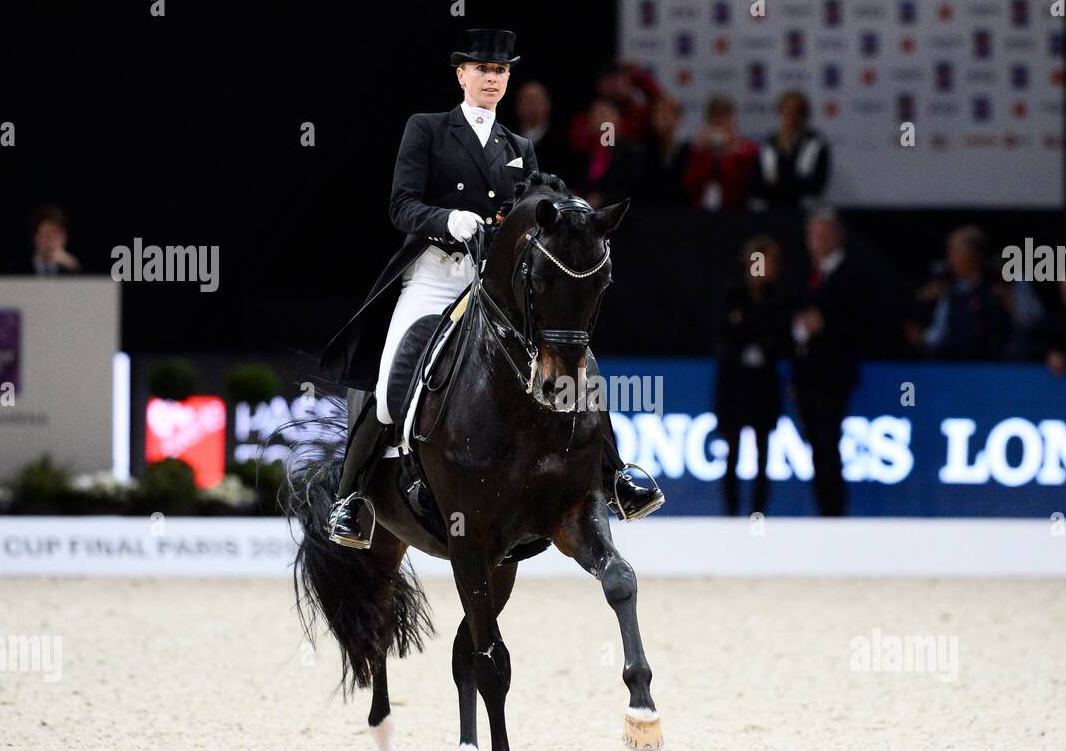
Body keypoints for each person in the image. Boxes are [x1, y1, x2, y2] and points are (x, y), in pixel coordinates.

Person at [317, 29, 663, 548]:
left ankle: (616, 477)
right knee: (392, 382)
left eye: (500, 71)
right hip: (435, 275)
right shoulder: (428, 130)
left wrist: (576, 213)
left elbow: (542, 199)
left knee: (579, 365)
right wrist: (445, 218)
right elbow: (401, 205)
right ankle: (352, 500)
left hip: (492, 284)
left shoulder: (517, 146)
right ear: (461, 75)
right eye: (482, 69)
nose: (492, 79)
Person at [791, 208, 865, 516]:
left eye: (823, 236)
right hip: (808, 375)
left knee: (827, 445)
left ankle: (833, 513)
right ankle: (824, 511)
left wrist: (826, 327)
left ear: (838, 237)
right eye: (813, 236)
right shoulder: (807, 275)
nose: (817, 242)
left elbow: (861, 325)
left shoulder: (851, 275)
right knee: (816, 445)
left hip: (833, 375)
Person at [714, 236, 792, 516]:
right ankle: (731, 513)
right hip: (735, 386)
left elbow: (781, 335)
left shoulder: (779, 296)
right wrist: (759, 330)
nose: (772, 267)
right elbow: (726, 334)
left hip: (763, 387)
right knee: (732, 451)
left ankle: (759, 511)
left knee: (763, 452)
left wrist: (748, 324)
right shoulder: (732, 292)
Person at [914, 226, 1007, 360]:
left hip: (994, 368)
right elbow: (935, 337)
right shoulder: (947, 292)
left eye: (954, 250)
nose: (949, 256)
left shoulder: (996, 290)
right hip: (954, 368)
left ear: (973, 253)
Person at [748, 91, 831, 211]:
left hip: (803, 210)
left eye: (795, 112)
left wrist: (781, 182)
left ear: (803, 116)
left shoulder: (816, 144)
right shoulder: (768, 145)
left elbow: (816, 185)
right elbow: (756, 184)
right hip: (771, 210)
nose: (790, 117)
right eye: (786, 112)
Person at [681, 96, 758, 211]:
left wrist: (731, 151)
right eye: (715, 116)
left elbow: (744, 184)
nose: (720, 121)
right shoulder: (698, 150)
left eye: (725, 116)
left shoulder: (747, 148)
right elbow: (690, 185)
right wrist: (700, 152)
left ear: (733, 119)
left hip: (735, 212)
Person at [639, 95, 691, 207]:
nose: (663, 118)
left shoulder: (687, 149)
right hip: (650, 210)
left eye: (668, 113)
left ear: (678, 118)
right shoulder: (645, 148)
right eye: (659, 114)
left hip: (680, 211)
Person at [9, 205, 80, 275]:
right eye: (45, 235)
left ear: (64, 237)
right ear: (34, 238)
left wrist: (74, 267)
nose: (50, 240)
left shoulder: (71, 268)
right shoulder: (18, 269)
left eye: (55, 235)